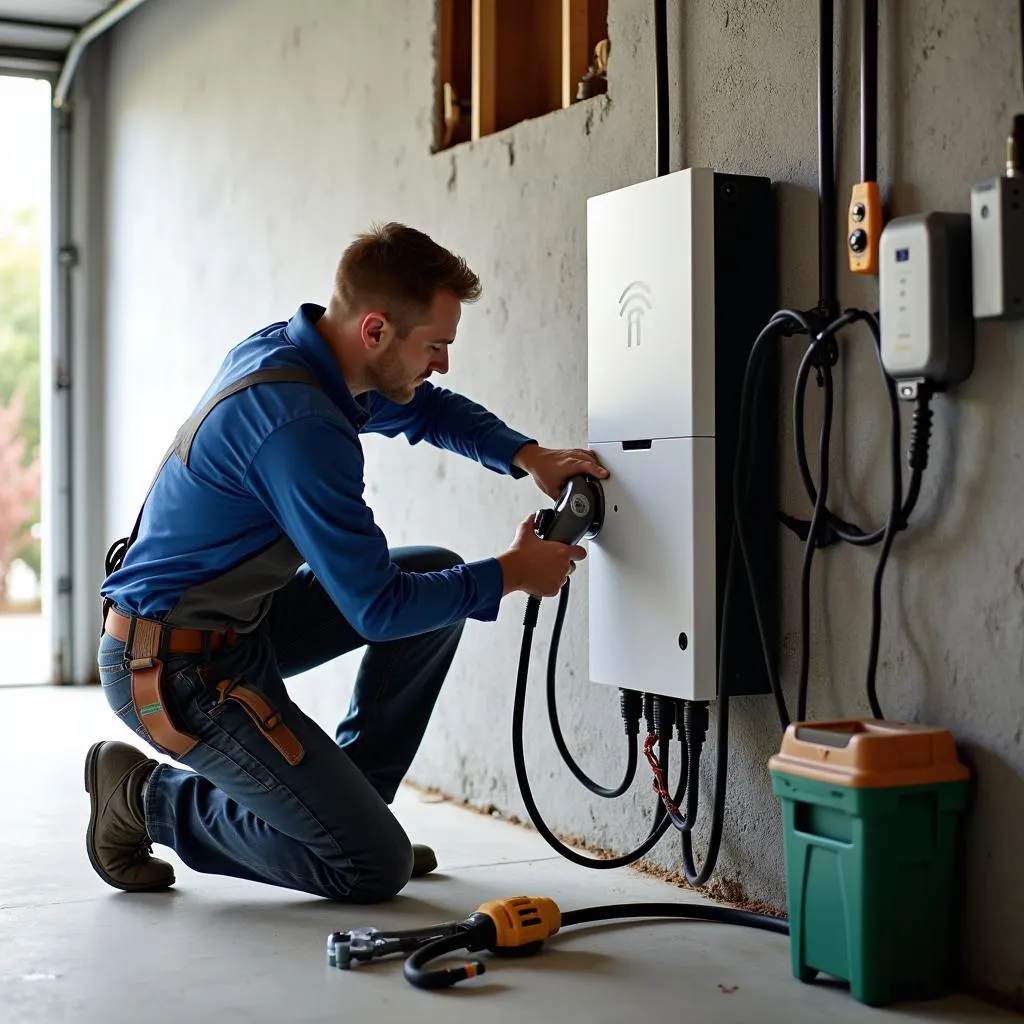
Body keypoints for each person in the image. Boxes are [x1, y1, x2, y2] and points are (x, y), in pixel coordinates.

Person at [88, 222, 608, 904]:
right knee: (369, 869)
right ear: (376, 331)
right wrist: (512, 573)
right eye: (436, 346)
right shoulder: (300, 426)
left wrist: (528, 455)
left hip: (241, 627)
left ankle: (350, 810)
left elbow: (427, 411)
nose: (442, 364)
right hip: (173, 668)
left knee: (438, 571)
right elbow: (377, 608)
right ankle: (142, 797)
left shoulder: (304, 358)